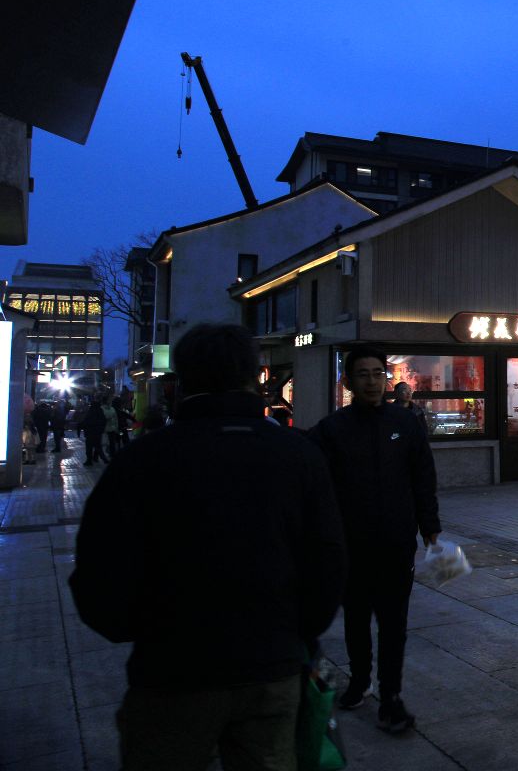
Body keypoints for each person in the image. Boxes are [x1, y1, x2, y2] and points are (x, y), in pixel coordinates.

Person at [69, 323, 347, 771]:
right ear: (254, 378)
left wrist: (144, 630)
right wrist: (297, 630)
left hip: (172, 671)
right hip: (271, 665)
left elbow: (100, 572)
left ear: (181, 381)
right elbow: (329, 558)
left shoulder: (143, 459)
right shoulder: (297, 455)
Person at [308, 346, 440, 734]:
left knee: (394, 622)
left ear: (387, 378)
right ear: (348, 381)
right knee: (355, 618)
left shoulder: (406, 423)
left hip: (396, 543)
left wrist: (429, 525)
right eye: (363, 374)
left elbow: (423, 477)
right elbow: (315, 484)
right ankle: (360, 680)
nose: (371, 381)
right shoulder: (332, 429)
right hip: (350, 544)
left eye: (378, 373)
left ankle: (391, 695)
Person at [80, 396, 108, 466]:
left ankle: (89, 461)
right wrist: (101, 430)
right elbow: (104, 421)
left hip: (90, 433)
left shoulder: (90, 412)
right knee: (98, 447)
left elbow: (86, 422)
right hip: (98, 433)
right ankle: (104, 459)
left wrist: (83, 428)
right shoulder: (100, 411)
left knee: (89, 448)